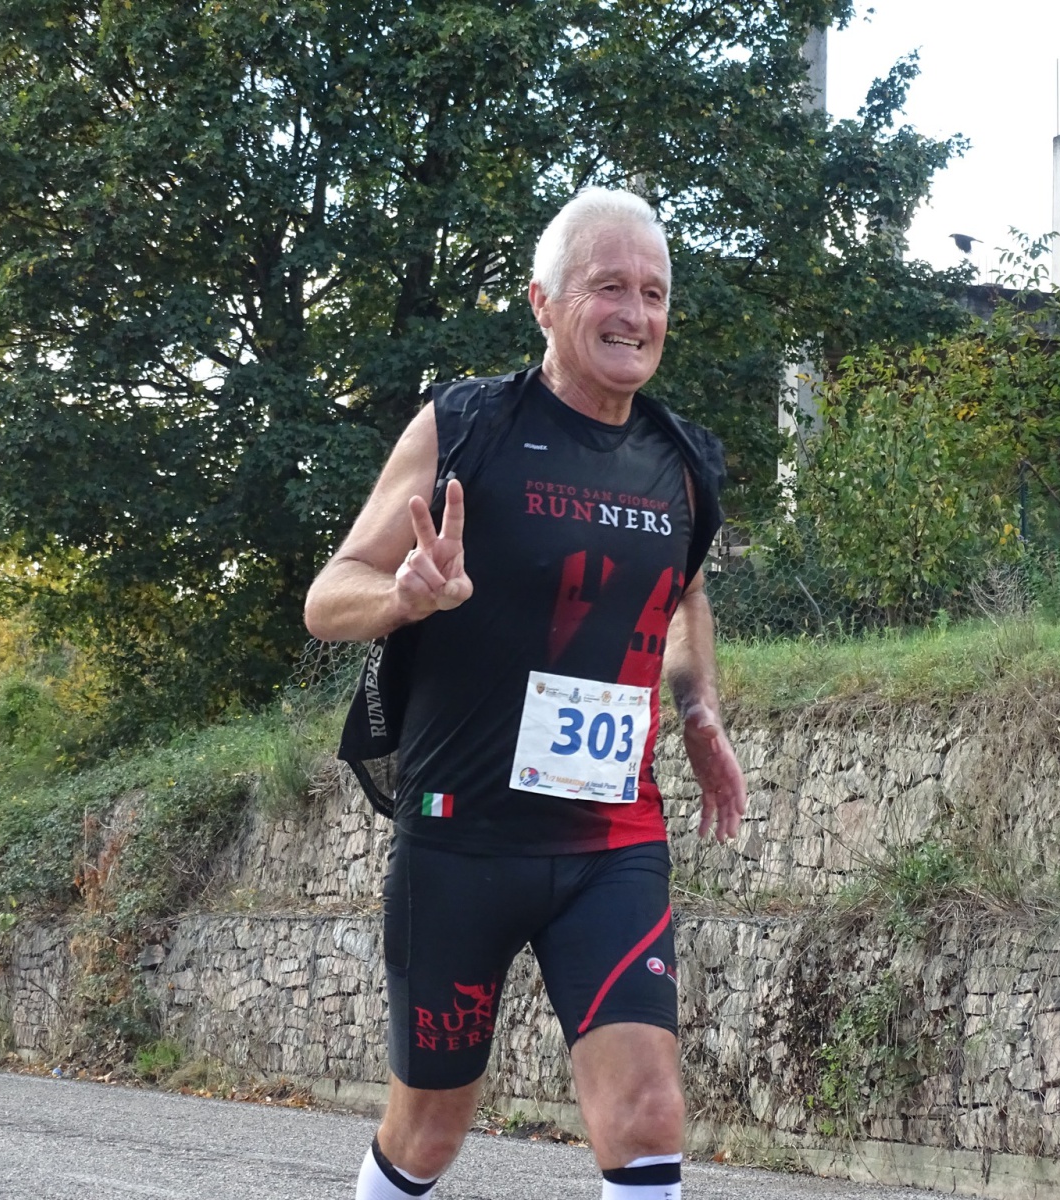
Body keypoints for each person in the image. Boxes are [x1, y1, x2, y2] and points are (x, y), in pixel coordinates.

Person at [304, 188, 747, 1200]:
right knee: (428, 1132)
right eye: (608, 287)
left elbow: (683, 593)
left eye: (654, 293)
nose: (635, 314)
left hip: (611, 842)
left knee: (647, 1111)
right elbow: (330, 597)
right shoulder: (468, 427)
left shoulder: (679, 462)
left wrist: (697, 709)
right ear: (543, 303)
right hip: (461, 841)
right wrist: (405, 597)